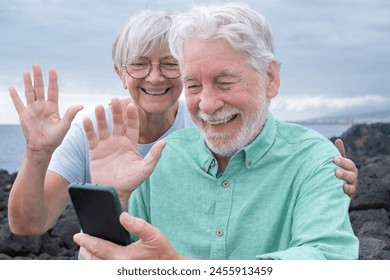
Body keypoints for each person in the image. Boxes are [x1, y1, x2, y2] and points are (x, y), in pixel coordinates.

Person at [8, 7, 357, 253]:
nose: (155, 77)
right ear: (120, 73)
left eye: (171, 65)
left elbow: (258, 124)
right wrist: (41, 156)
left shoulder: (209, 127)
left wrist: (318, 175)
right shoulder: (101, 139)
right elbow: (30, 226)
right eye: (140, 63)